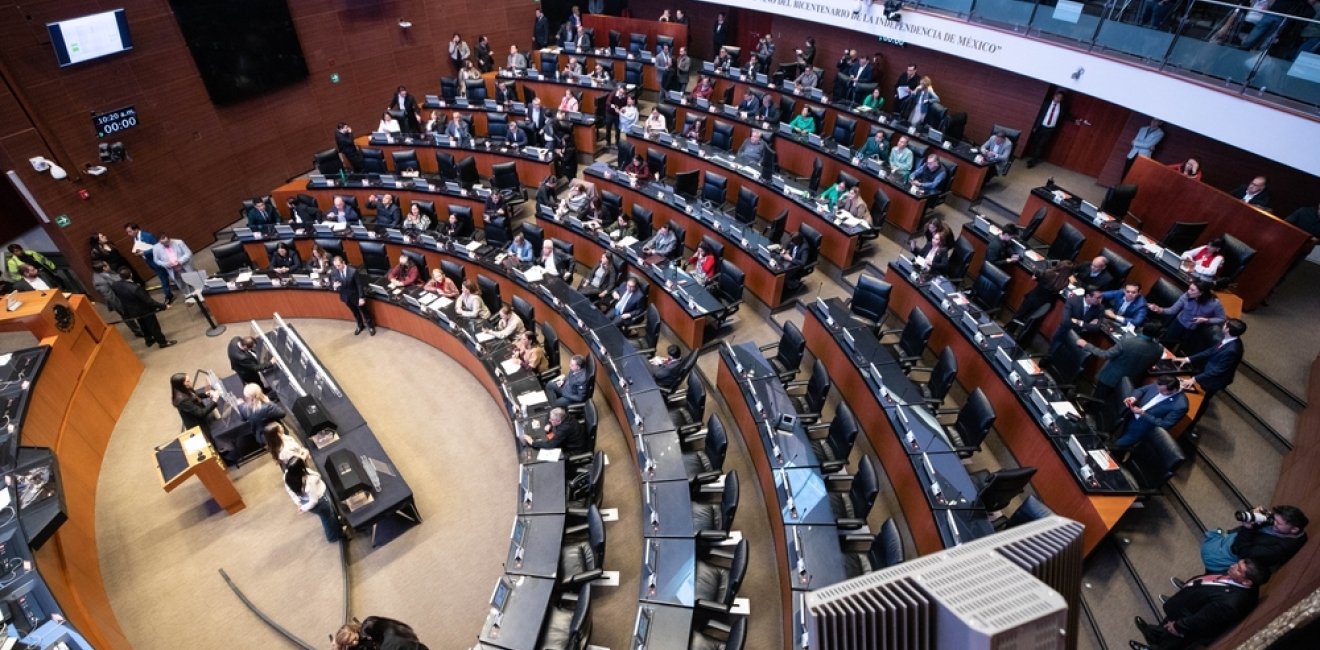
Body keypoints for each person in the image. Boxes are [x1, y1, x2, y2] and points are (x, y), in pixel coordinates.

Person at [1129, 559, 1266, 650]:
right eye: (1237, 563)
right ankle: (1152, 634)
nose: (1233, 566)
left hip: (1187, 623)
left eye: (1238, 569)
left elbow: (1201, 619)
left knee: (1171, 641)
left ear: (1247, 582)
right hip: (1187, 607)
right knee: (1164, 625)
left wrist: (1178, 626)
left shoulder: (1230, 603)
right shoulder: (1237, 579)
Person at [1175, 318, 1246, 430]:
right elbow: (1211, 351)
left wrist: (1194, 379)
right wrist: (1188, 359)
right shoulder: (1227, 338)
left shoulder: (1233, 350)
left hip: (1214, 380)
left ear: (1227, 329)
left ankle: (1190, 426)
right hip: (1208, 370)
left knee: (1201, 402)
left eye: (1225, 325)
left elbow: (1219, 370)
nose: (1222, 326)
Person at [1197, 505, 1308, 573]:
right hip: (1232, 538)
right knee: (1217, 533)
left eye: (1278, 523)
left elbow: (1242, 551)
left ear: (1294, 529)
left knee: (1209, 550)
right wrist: (1255, 513)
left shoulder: (1278, 549)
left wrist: (1247, 527)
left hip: (1232, 552)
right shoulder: (1282, 530)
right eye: (1274, 518)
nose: (1273, 523)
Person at [1078, 321, 1165, 398]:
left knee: (1096, 399)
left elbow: (1105, 355)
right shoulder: (1160, 349)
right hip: (1130, 384)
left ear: (1143, 329)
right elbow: (1152, 364)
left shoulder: (1127, 342)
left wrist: (1086, 345)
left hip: (1110, 378)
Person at [1110, 375, 1188, 450]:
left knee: (1115, 447)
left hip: (1140, 429)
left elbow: (1165, 424)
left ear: (1174, 390)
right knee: (1110, 437)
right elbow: (1141, 390)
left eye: (1162, 391)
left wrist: (1143, 414)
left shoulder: (1180, 405)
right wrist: (1133, 398)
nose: (1159, 392)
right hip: (1127, 417)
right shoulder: (1161, 384)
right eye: (1158, 388)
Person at [1149, 280, 1224, 351]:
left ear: (1201, 293)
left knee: (1181, 350)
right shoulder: (1186, 296)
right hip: (1178, 324)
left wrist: (1206, 320)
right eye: (1189, 288)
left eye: (1192, 290)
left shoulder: (1215, 303)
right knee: (1165, 346)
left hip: (1194, 331)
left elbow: (1221, 318)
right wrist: (1159, 309)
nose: (1188, 291)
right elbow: (1172, 310)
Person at [283, 457, 341, 543]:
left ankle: (336, 530)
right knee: (328, 518)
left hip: (306, 501)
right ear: (301, 469)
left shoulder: (287, 477)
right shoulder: (309, 482)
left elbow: (290, 492)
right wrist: (303, 508)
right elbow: (314, 501)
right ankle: (334, 536)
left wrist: (299, 504)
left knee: (327, 517)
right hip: (320, 500)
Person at [1048, 286, 1106, 359]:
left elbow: (1096, 328)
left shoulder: (1100, 308)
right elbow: (1065, 322)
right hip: (1063, 333)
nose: (1100, 300)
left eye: (1101, 297)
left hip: (1079, 339)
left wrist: (1079, 322)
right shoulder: (1073, 301)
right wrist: (1087, 325)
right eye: (1098, 298)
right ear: (1088, 296)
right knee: (1050, 356)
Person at [92, 261, 144, 338]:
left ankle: (142, 328)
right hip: (119, 301)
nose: (109, 265)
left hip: (125, 296)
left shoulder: (108, 272)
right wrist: (120, 306)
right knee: (126, 316)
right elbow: (110, 296)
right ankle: (138, 331)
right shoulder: (100, 282)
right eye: (107, 265)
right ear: (104, 268)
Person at [236, 383, 285, 457]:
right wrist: (268, 401)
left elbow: (243, 419)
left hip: (261, 438)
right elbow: (282, 414)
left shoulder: (243, 408)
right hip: (276, 434)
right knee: (283, 452)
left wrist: (240, 405)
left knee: (276, 453)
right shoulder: (267, 407)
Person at [331, 256, 375, 336]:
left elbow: (359, 285)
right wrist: (334, 286)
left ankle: (371, 326)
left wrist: (361, 297)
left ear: (343, 263)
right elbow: (334, 281)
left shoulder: (353, 271)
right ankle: (360, 325)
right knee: (355, 312)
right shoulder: (334, 271)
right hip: (346, 297)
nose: (337, 268)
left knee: (364, 312)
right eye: (336, 266)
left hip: (356, 296)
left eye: (339, 265)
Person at [1025, 91, 1069, 168]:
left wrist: (1075, 120)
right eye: (1057, 97)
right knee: (1035, 143)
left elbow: (1066, 115)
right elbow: (1039, 115)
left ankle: (1033, 161)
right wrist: (1035, 126)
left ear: (1062, 99)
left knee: (1041, 145)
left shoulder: (1062, 107)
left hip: (1050, 129)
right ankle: (1033, 157)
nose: (1058, 99)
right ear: (1054, 96)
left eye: (1060, 98)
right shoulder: (1046, 103)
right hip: (1041, 127)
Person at [333, 616, 428, 650]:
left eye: (352, 639)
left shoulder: (368, 629)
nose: (353, 642)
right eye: (349, 643)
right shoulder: (372, 623)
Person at [150, 234, 197, 302]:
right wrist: (166, 264)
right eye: (163, 243)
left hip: (184, 266)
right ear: (159, 242)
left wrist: (180, 261)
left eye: (167, 242)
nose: (165, 244)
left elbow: (188, 253)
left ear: (169, 239)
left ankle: (197, 294)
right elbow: (156, 260)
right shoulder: (156, 248)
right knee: (180, 283)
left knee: (191, 279)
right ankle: (188, 296)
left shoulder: (179, 242)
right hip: (172, 269)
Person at [521, 407, 587, 453]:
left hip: (575, 448)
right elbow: (549, 412)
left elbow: (551, 444)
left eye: (552, 420)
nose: (549, 420)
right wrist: (549, 424)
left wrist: (532, 442)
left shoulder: (564, 429)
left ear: (558, 421)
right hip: (575, 436)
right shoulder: (563, 414)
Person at [171, 373, 216, 437]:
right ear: (181, 384)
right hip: (198, 426)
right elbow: (201, 413)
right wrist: (214, 401)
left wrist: (207, 394)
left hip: (202, 419)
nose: (191, 382)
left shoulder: (184, 388)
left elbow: (194, 396)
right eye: (188, 381)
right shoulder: (182, 400)